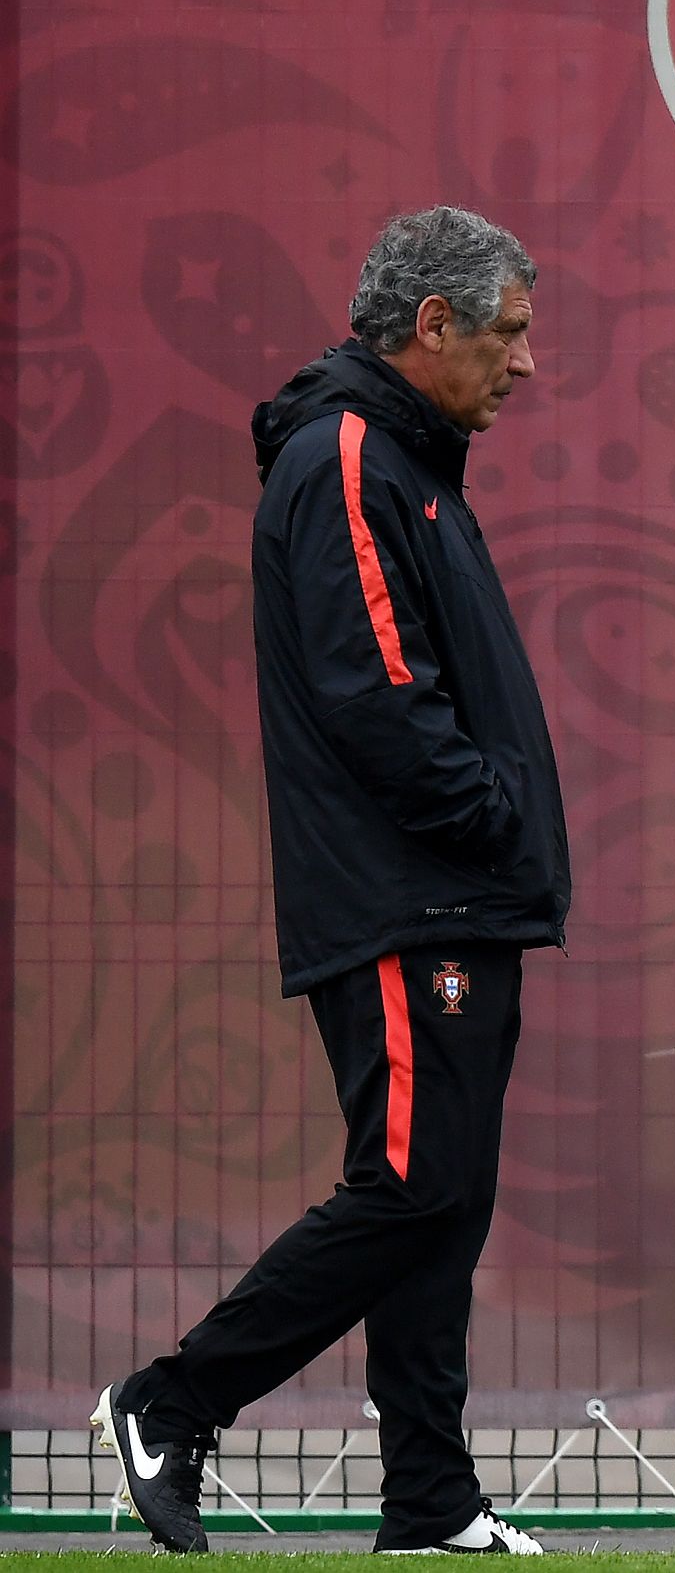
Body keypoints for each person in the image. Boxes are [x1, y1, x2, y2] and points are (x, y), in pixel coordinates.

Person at [91, 207, 570, 1554]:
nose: (526, 364)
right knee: (414, 1184)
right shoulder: (346, 457)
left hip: (452, 895)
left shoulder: (409, 457)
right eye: (511, 332)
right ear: (433, 326)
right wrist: (496, 816)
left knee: (444, 1197)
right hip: (412, 898)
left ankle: (430, 1496)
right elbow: (379, 702)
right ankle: (171, 1401)